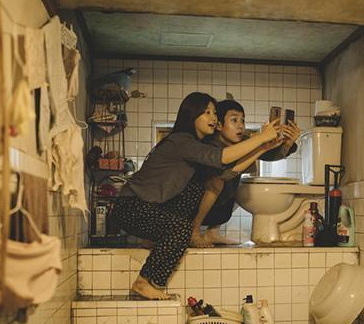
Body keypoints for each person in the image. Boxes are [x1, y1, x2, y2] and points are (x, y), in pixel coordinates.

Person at [113, 92, 280, 299]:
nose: (213, 118)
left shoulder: (194, 146)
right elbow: (222, 158)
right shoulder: (182, 141)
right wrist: (261, 137)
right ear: (191, 115)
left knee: (200, 186)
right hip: (130, 207)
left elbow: (226, 172)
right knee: (182, 229)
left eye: (214, 113)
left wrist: (262, 148)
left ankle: (151, 240)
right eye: (207, 112)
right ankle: (143, 282)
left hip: (149, 207)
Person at [190, 99, 301, 247]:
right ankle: (194, 231)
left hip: (218, 208)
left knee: (242, 183)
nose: (240, 125)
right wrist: (261, 139)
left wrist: (287, 143)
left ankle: (212, 232)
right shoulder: (209, 145)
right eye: (234, 120)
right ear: (219, 125)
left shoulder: (242, 141)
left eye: (242, 120)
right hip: (191, 207)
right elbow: (223, 172)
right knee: (217, 181)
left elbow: (269, 155)